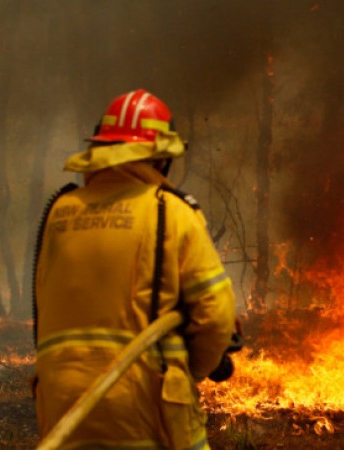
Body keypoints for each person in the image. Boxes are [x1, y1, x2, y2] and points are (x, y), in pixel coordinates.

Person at [32, 89, 237, 449]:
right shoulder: (171, 211)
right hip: (143, 400)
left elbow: (45, 309)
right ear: (160, 159)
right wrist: (193, 371)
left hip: (61, 403)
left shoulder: (59, 212)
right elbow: (215, 316)